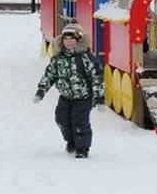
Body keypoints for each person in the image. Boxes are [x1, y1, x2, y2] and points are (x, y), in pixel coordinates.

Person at [33, 22, 105, 159]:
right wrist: (41, 90)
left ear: (79, 40)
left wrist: (99, 97)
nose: (68, 42)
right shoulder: (59, 59)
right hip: (65, 96)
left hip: (83, 97)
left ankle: (82, 147)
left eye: (72, 39)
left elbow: (97, 78)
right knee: (62, 120)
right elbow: (50, 75)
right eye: (65, 39)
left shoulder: (86, 58)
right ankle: (71, 141)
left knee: (80, 122)